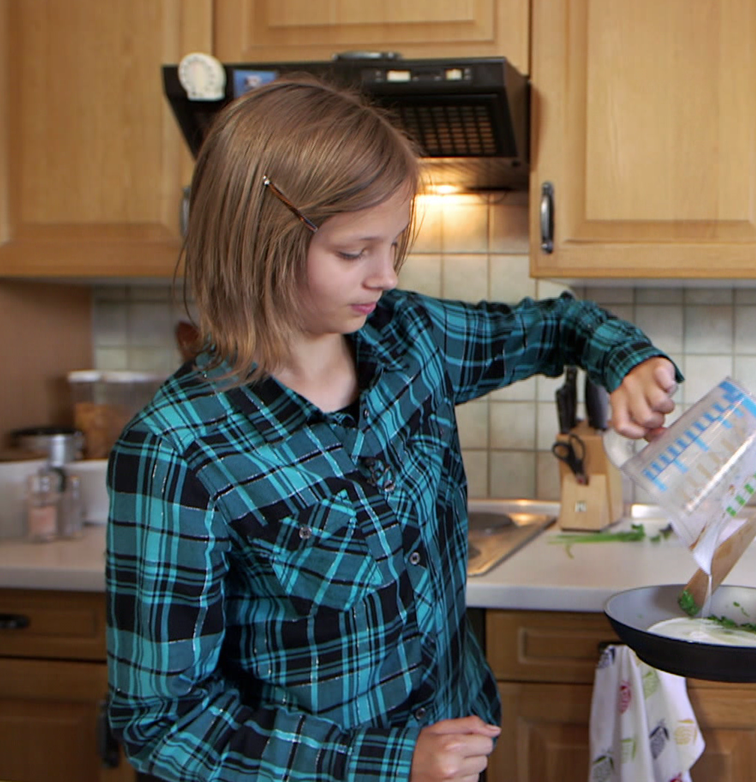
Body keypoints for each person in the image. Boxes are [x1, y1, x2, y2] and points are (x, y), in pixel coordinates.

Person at [105, 77, 681, 782]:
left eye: (395, 241)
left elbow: (557, 325)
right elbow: (165, 724)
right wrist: (390, 762)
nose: (384, 275)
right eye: (354, 252)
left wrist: (627, 360)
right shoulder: (177, 450)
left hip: (463, 748)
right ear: (259, 242)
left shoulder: (409, 338)